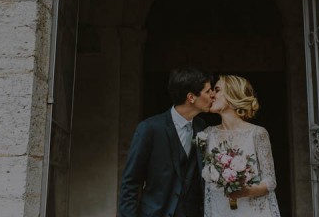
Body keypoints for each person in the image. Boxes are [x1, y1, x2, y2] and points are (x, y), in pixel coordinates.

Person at [119, 67, 214, 217]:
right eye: (208, 91)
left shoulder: (201, 127)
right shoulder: (150, 129)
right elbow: (130, 182)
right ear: (191, 97)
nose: (213, 95)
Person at [202, 75, 281, 217]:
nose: (212, 95)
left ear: (232, 94)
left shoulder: (257, 133)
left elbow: (270, 181)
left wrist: (245, 191)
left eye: (217, 89)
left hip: (253, 211)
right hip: (220, 210)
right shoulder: (207, 134)